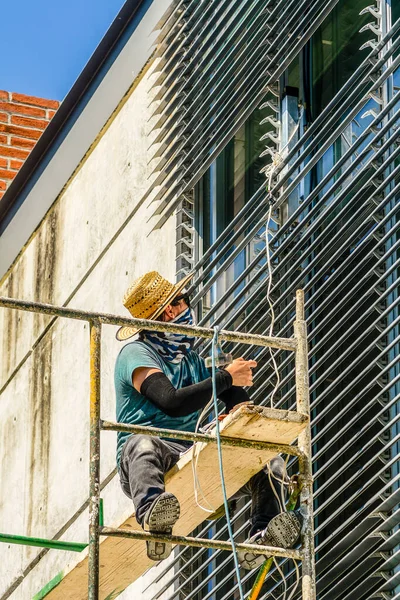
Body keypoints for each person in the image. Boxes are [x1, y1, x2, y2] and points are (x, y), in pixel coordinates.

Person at [115, 271, 302, 568]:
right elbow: (171, 401)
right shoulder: (136, 354)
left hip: (192, 453)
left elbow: (233, 398)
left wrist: (234, 411)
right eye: (181, 303)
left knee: (269, 459)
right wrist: (226, 377)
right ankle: (154, 515)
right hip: (149, 462)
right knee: (143, 444)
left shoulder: (190, 359)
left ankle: (262, 535)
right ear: (169, 312)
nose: (186, 308)